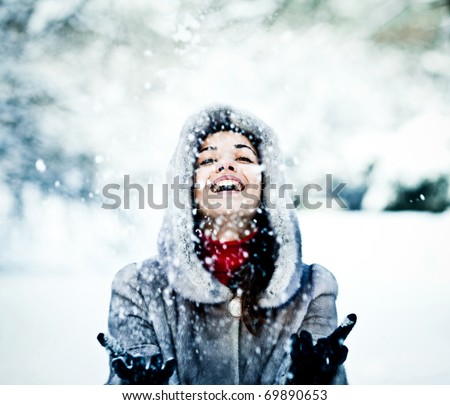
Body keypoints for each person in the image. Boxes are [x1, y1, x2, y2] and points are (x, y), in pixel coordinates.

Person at [100, 105, 355, 385]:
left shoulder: (315, 290)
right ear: (187, 188)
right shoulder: (137, 287)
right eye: (208, 161)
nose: (225, 166)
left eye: (243, 157)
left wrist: (311, 384)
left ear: (267, 184)